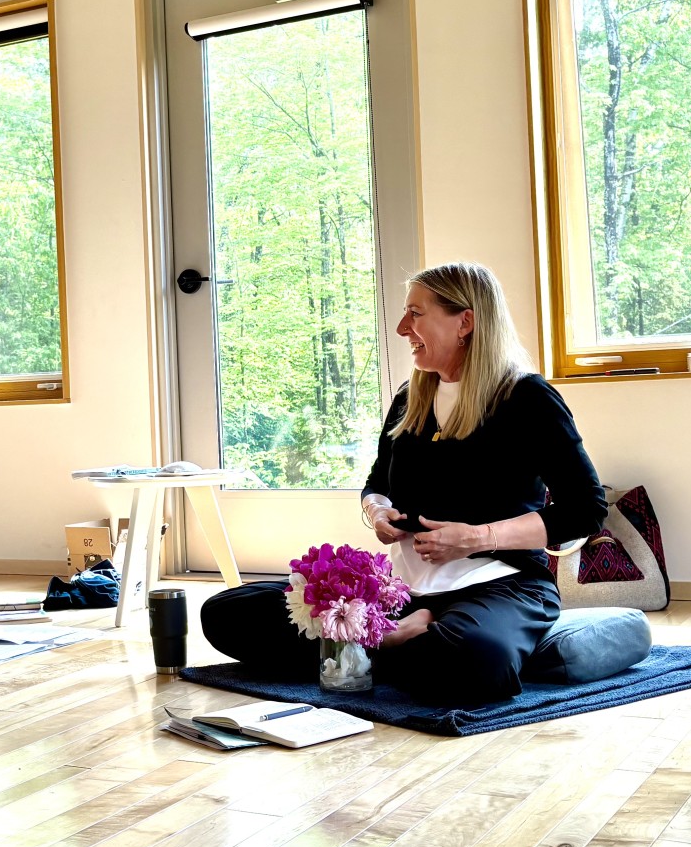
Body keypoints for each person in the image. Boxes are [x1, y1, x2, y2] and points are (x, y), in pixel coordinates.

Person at [200, 262, 606, 706]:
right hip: (400, 593)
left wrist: (476, 538)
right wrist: (377, 511)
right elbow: (378, 483)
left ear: (465, 321)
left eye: (416, 313)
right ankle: (391, 640)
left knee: (470, 660)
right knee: (227, 614)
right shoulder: (410, 400)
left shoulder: (527, 399)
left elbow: (585, 508)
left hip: (498, 584)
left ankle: (368, 646)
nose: (400, 328)